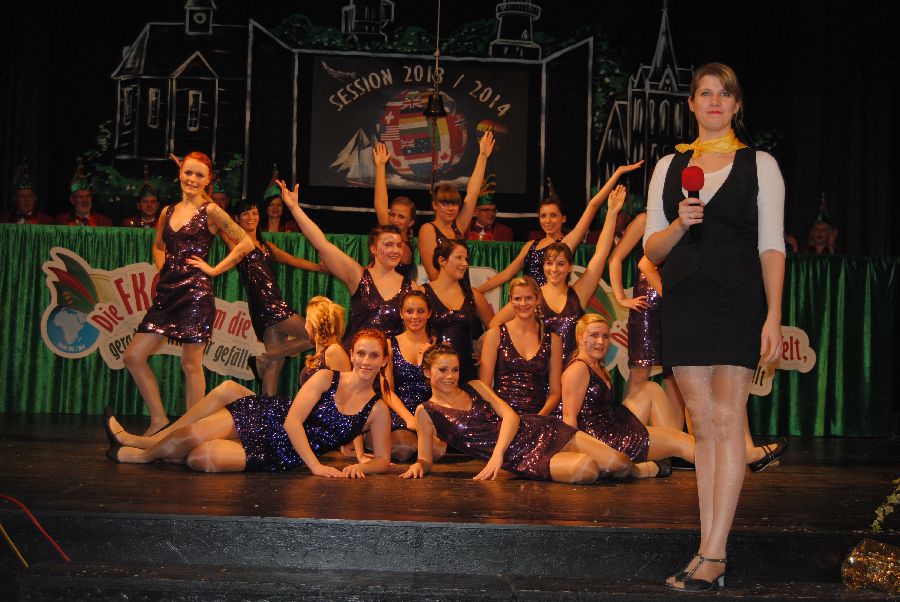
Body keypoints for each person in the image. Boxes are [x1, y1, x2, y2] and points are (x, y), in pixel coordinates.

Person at [643, 63, 786, 591]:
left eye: (724, 94)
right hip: (684, 302)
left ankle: (715, 552)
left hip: (738, 301)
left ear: (737, 104)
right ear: (691, 103)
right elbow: (652, 248)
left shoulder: (761, 165)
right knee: (702, 425)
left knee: (727, 419)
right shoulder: (668, 167)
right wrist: (679, 223)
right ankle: (706, 548)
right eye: (705, 93)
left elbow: (771, 245)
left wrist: (774, 314)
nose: (715, 101)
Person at [104, 329, 393, 477]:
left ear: (383, 361)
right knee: (189, 437)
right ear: (351, 354)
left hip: (282, 455)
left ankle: (157, 448)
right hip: (267, 418)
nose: (366, 361)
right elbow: (292, 422)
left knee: (201, 458)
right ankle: (144, 455)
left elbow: (382, 459)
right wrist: (316, 467)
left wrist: (361, 468)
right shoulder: (327, 377)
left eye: (374, 355)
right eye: (361, 353)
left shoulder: (378, 409)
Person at [122, 152, 254, 435]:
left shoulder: (211, 211)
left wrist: (214, 269)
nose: (192, 179)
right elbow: (158, 246)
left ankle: (192, 431)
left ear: (208, 180)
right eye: (188, 173)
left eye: (199, 175)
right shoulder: (166, 212)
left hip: (195, 294)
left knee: (191, 364)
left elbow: (245, 243)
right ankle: (159, 420)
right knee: (133, 356)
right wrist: (164, 271)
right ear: (180, 173)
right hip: (167, 294)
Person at [399, 344, 668, 482]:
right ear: (427, 372)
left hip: (539, 429)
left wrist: (496, 455)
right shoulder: (426, 412)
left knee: (620, 462)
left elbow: (511, 417)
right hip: (519, 458)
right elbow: (425, 458)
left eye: (455, 369)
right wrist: (419, 465)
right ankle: (613, 469)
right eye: (442, 370)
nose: (450, 376)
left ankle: (637, 471)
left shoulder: (475, 386)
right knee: (586, 471)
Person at [488, 184, 629, 363]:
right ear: (543, 266)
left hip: (571, 370)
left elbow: (601, 253)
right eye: (549, 263)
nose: (554, 269)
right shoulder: (532, 297)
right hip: (538, 372)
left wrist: (612, 213)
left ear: (570, 267)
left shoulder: (578, 294)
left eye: (560, 264)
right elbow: (494, 324)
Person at [203, 200, 325, 395]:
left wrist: (321, 267)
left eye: (254, 213)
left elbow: (294, 260)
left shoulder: (268, 247)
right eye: (245, 213)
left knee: (275, 363)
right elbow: (218, 218)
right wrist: (203, 193)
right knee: (315, 336)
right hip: (265, 304)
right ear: (237, 219)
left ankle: (266, 406)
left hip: (272, 302)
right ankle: (262, 359)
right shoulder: (237, 244)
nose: (251, 217)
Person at [277, 180, 417, 344]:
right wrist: (295, 208)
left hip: (391, 359)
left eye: (399, 245)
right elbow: (321, 243)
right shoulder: (358, 276)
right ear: (373, 249)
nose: (395, 250)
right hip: (355, 356)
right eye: (388, 245)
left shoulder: (412, 288)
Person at [476, 162, 642, 293]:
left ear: (563, 218)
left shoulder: (567, 243)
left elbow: (593, 205)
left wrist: (617, 174)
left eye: (553, 215)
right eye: (543, 216)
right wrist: (476, 291)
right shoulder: (531, 245)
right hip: (526, 301)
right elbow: (506, 274)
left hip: (550, 302)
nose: (547, 221)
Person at [562, 315, 696, 465]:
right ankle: (710, 464)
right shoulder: (578, 369)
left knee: (650, 388)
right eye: (594, 335)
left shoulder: (596, 365)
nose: (601, 342)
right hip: (605, 441)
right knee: (679, 440)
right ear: (580, 337)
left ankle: (667, 452)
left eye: (605, 336)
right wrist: (577, 459)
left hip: (614, 426)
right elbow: (568, 418)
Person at [417, 132, 495, 282]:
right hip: (442, 291)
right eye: (445, 203)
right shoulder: (428, 229)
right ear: (434, 205)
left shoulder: (457, 226)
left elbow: (472, 194)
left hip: (462, 289)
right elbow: (433, 274)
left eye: (454, 204)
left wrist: (482, 157)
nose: (451, 208)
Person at [479, 276, 562, 416]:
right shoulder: (495, 335)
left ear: (538, 299)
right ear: (510, 300)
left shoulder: (553, 340)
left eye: (528, 298)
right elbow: (484, 387)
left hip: (539, 418)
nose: (523, 303)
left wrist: (538, 419)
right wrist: (507, 419)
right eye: (517, 299)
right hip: (501, 418)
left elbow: (555, 392)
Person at [423, 239, 494, 382]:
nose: (465, 264)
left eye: (466, 259)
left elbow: (495, 329)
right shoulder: (423, 293)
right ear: (442, 260)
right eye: (459, 257)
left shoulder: (473, 295)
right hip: (435, 374)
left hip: (467, 372)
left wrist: (485, 353)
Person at [373, 143, 418, 280]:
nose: (394, 219)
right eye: (392, 214)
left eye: (401, 217)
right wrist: (380, 166)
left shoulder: (402, 247)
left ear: (411, 222)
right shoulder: (389, 235)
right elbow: (380, 205)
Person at [57, 160, 112, 227]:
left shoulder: (104, 222)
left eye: (88, 196)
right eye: (80, 196)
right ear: (72, 200)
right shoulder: (62, 221)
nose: (85, 200)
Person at [465, 174, 513, 241]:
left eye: (493, 210)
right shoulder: (464, 229)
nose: (491, 213)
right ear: (475, 212)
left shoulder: (504, 232)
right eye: (486, 210)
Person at [261, 165, 298, 233]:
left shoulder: (291, 226)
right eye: (271, 205)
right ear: (266, 207)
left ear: (283, 207)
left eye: (279, 205)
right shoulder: (258, 227)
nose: (275, 208)